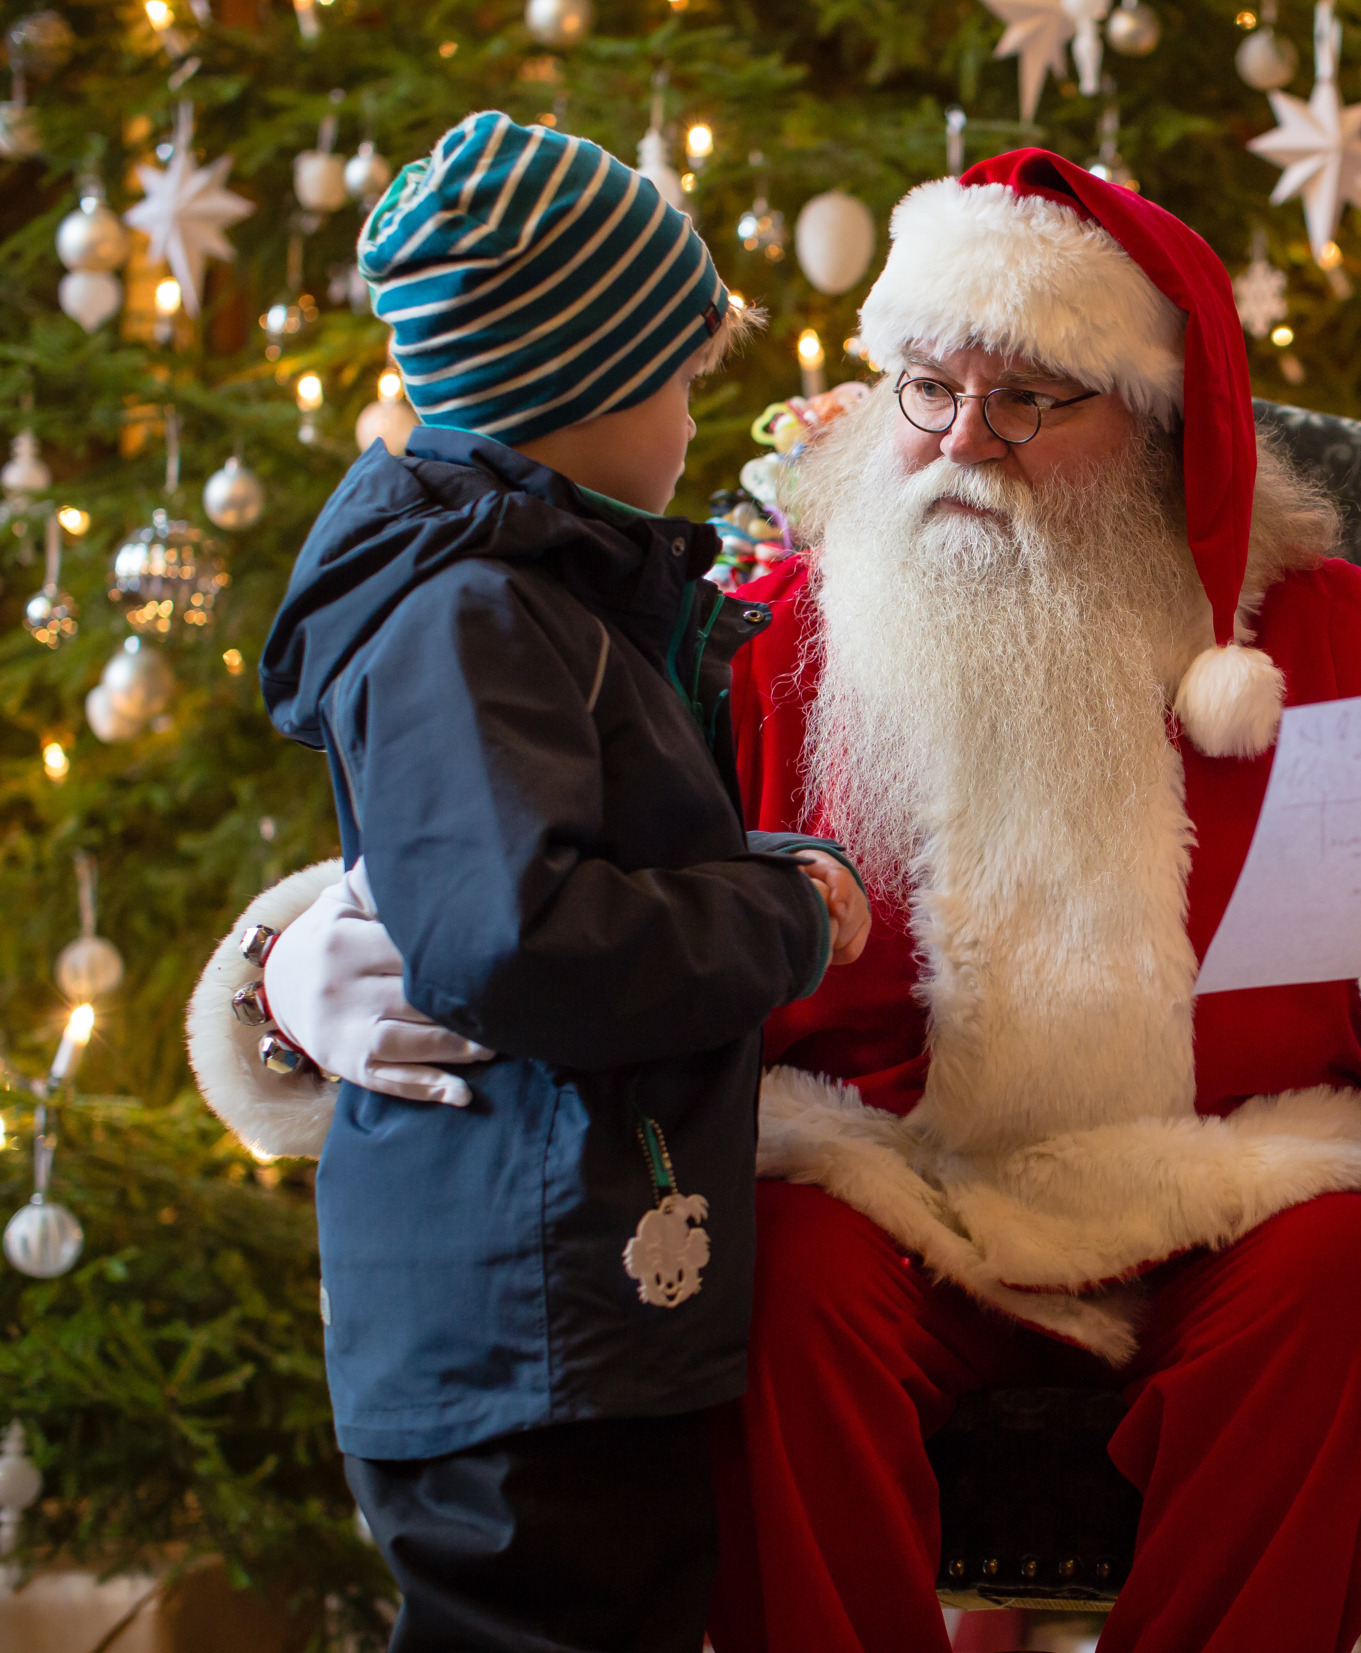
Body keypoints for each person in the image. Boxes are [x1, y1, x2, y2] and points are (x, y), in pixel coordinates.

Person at [211, 150, 1361, 1652]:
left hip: (1237, 1188)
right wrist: (292, 963)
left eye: (1032, 394)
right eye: (925, 385)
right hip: (894, 1183)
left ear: (1158, 427)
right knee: (764, 1265)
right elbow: (510, 839)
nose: (966, 438)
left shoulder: (1310, 629)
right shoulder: (761, 626)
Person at [184, 112, 868, 1653]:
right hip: (520, 1308)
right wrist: (788, 913)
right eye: (683, 381)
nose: (701, 420)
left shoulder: (550, 597)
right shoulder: (468, 617)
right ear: (580, 388)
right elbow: (519, 934)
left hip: (575, 1287)